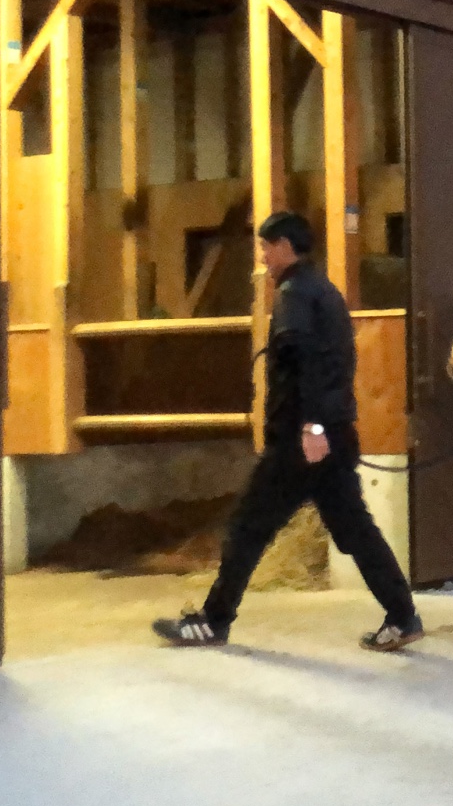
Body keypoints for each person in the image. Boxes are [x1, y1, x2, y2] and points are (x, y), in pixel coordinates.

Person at [153, 211, 424, 652]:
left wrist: (310, 426)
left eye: (265, 246)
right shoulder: (326, 291)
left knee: (247, 527)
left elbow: (305, 363)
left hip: (301, 442)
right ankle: (402, 616)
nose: (262, 257)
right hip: (332, 434)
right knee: (356, 531)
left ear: (283, 246)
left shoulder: (295, 294)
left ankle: (213, 621)